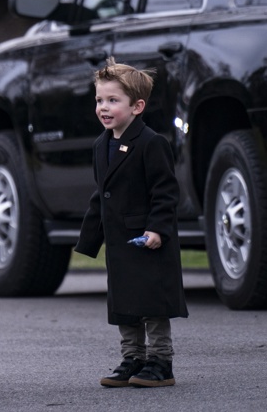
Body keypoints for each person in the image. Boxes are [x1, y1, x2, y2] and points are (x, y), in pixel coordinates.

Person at [74, 58, 188, 388]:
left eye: (113, 100)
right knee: (125, 303)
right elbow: (102, 194)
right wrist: (89, 239)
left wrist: (158, 229)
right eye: (99, 100)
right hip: (120, 243)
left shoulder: (152, 143)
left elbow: (165, 192)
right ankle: (133, 358)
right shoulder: (101, 145)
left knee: (152, 303)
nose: (103, 107)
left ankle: (161, 362)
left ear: (137, 107)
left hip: (148, 240)